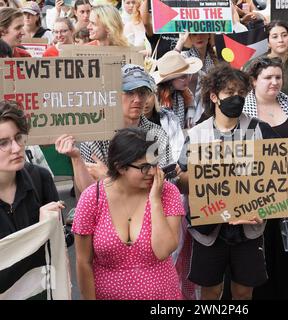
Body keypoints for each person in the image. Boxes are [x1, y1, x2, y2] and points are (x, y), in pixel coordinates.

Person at [176, 63, 277, 300]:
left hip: (249, 227)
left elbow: (275, 178)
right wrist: (209, 171)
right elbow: (181, 180)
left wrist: (267, 208)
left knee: (243, 291)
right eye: (230, 93)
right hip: (209, 229)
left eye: (241, 94)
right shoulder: (197, 134)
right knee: (211, 290)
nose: (236, 98)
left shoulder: (260, 130)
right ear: (214, 96)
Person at [72, 127, 185, 300]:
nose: (153, 172)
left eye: (155, 164)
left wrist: (155, 200)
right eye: (144, 167)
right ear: (120, 167)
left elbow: (163, 251)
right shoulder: (91, 198)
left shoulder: (167, 192)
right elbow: (83, 262)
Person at [243, 57, 288, 300]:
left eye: (278, 77)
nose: (274, 82)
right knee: (258, 254)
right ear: (253, 81)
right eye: (267, 78)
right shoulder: (241, 110)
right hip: (255, 198)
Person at [55, 64, 171, 195]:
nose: (137, 99)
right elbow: (88, 192)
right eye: (129, 92)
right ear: (114, 95)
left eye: (142, 93)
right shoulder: (96, 137)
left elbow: (166, 185)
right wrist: (76, 158)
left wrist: (108, 178)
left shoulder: (157, 134)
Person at [0, 100, 64, 299]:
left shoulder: (40, 178)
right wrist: (39, 229)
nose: (16, 148)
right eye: (4, 143)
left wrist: (51, 227)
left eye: (19, 137)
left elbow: (57, 247)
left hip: (40, 291)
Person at [153, 50, 203, 129]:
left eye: (188, 75)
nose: (187, 80)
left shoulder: (183, 92)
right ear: (170, 80)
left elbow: (191, 103)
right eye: (183, 77)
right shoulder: (156, 96)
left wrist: (189, 115)